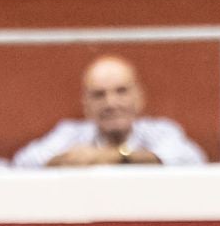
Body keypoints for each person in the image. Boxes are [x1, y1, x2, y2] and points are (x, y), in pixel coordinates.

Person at [12, 55, 206, 167]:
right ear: (86, 105)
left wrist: (114, 156)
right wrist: (63, 160)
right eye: (99, 95)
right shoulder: (70, 133)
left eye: (121, 91)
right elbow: (24, 163)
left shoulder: (161, 131)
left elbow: (190, 159)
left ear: (139, 98)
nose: (111, 103)